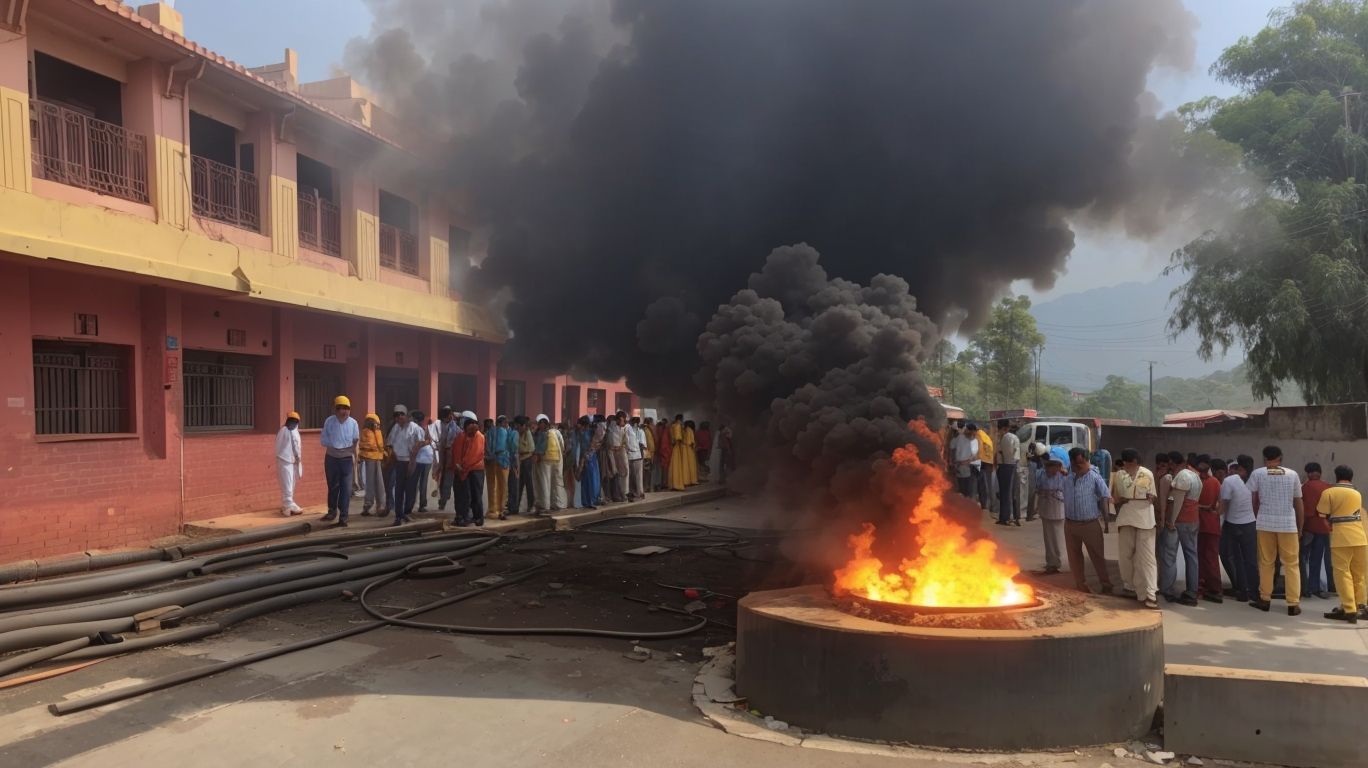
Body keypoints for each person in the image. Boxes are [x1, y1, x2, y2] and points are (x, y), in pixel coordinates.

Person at [1248, 445, 1304, 615]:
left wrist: (1257, 516)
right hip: (1288, 524)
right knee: (1292, 564)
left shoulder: (1257, 474)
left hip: (1265, 523)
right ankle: (1293, 604)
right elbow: (1298, 502)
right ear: (1280, 457)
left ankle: (1265, 599)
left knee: (1266, 562)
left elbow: (1252, 499)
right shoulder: (1292, 474)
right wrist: (1300, 527)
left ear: (1265, 458)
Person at [1111, 448, 1158, 609]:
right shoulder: (1119, 475)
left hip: (1145, 518)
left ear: (1137, 462)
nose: (1127, 465)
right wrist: (1118, 500)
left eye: (1130, 462)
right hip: (1126, 518)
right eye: (1125, 462)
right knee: (1125, 556)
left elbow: (1152, 497)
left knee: (1147, 558)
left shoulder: (1147, 474)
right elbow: (1116, 498)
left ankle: (1151, 594)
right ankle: (1129, 586)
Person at [1319, 465, 1367, 623]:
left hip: (1341, 538)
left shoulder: (1329, 492)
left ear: (1336, 476)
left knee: (1342, 573)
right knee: (1358, 574)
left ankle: (1349, 609)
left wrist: (1330, 529)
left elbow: (1322, 516)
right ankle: (1361, 606)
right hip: (1360, 537)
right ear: (1351, 477)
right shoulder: (1356, 493)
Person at [1063, 447, 1114, 594]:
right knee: (1074, 557)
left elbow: (1104, 498)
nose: (1081, 466)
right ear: (1071, 462)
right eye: (1077, 463)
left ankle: (1106, 584)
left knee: (1097, 556)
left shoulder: (1094, 477)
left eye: (1083, 462)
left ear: (1087, 461)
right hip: (1070, 524)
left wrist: (1106, 522)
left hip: (1090, 524)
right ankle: (1081, 584)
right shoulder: (1068, 477)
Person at [1160, 450, 1201, 607]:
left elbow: (1176, 501)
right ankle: (1192, 591)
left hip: (1180, 521)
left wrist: (1171, 521)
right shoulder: (1194, 475)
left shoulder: (1182, 476)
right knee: (1192, 555)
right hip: (1193, 520)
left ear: (1171, 463)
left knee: (1169, 554)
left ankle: (1167, 589)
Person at [1217, 455, 1259, 602]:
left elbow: (1224, 505)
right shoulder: (1256, 480)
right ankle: (1255, 591)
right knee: (1251, 560)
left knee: (1237, 558)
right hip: (1250, 524)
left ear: (1238, 466)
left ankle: (1242, 591)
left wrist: (1216, 515)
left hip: (1232, 524)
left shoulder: (1230, 481)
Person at [320, 395, 360, 527]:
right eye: (341, 408)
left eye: (347, 408)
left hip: (346, 460)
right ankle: (332, 512)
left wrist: (355, 458)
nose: (344, 411)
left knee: (346, 489)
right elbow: (324, 440)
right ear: (335, 410)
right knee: (333, 487)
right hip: (331, 459)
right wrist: (336, 447)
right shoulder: (329, 422)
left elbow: (355, 441)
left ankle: (344, 517)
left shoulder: (353, 423)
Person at [386, 405, 425, 525]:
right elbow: (389, 443)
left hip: (412, 461)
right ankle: (398, 515)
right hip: (399, 462)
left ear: (406, 415)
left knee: (411, 489)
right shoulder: (395, 428)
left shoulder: (414, 428)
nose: (399, 417)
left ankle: (406, 513)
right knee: (398, 489)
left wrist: (415, 451)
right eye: (396, 415)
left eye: (401, 414)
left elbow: (423, 441)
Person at [1032, 444, 1067, 575]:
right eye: (1047, 467)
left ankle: (1057, 561)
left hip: (1057, 507)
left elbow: (1066, 492)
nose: (1049, 470)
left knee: (1057, 536)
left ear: (1057, 467)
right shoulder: (1041, 474)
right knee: (1048, 537)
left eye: (1051, 467)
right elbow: (1037, 489)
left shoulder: (1063, 476)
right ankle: (1050, 562)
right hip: (1046, 506)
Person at [1300, 462, 1333, 600]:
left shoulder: (1304, 487)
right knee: (1318, 559)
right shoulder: (1328, 487)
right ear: (1320, 472)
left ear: (1308, 473)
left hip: (1308, 527)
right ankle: (1316, 587)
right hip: (1323, 527)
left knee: (1303, 558)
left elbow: (1302, 509)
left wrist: (1300, 528)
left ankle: (1304, 588)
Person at [1194, 454, 1224, 602]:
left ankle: (1202, 588)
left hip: (1200, 523)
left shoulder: (1196, 481)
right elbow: (1220, 505)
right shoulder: (1216, 483)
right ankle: (1214, 589)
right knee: (1211, 557)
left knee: (1200, 556)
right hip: (1212, 523)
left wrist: (1200, 506)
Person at [450, 413, 487, 526]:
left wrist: (462, 467)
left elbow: (474, 455)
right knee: (464, 495)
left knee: (475, 495)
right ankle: (463, 516)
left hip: (473, 470)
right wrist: (457, 465)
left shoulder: (479, 437)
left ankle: (477, 517)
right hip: (463, 470)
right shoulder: (462, 436)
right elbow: (456, 453)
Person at [484, 415, 514, 520]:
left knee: (491, 485)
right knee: (503, 485)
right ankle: (501, 510)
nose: (507, 425)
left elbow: (486, 447)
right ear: (503, 423)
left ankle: (492, 510)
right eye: (506, 423)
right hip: (503, 460)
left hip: (490, 461)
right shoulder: (505, 432)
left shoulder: (488, 432)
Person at [358, 413, 389, 517]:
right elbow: (380, 443)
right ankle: (381, 506)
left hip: (368, 458)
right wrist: (385, 452)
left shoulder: (363, 431)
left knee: (370, 483)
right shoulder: (375, 431)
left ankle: (367, 506)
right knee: (379, 483)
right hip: (376, 458)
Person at [275, 411, 304, 516]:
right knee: (287, 483)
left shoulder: (294, 432)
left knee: (291, 483)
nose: (292, 422)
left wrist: (297, 460)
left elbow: (297, 448)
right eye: (291, 420)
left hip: (292, 461)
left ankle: (287, 505)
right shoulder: (284, 430)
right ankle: (288, 504)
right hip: (284, 460)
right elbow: (279, 447)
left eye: (294, 421)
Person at [994, 420, 1021, 527]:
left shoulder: (1006, 438)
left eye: (999, 429)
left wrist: (1004, 464)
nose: (998, 432)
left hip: (1006, 466)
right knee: (1013, 493)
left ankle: (1005, 518)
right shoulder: (1014, 437)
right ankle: (1014, 517)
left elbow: (1008, 453)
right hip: (1013, 466)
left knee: (1005, 493)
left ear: (1003, 428)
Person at [537, 415, 567, 512]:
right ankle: (558, 503)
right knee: (557, 482)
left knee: (546, 482)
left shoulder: (541, 434)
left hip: (545, 460)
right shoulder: (556, 432)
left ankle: (546, 505)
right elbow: (562, 445)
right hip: (557, 459)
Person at [511, 416, 536, 515]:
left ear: (523, 426)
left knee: (528, 483)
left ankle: (531, 505)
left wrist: (520, 451)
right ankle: (517, 506)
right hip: (521, 460)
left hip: (527, 460)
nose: (516, 427)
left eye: (518, 425)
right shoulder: (519, 433)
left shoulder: (527, 433)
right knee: (520, 484)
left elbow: (531, 448)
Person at [411, 410, 434, 515]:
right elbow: (421, 443)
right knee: (420, 482)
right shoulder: (419, 429)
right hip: (424, 458)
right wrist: (428, 441)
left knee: (418, 482)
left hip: (423, 458)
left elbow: (419, 444)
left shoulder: (418, 429)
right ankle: (420, 505)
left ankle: (416, 505)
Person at [949, 423, 979, 498]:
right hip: (959, 466)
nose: (972, 434)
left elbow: (974, 456)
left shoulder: (975, 441)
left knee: (968, 488)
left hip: (968, 466)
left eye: (974, 432)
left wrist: (966, 462)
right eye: (970, 431)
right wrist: (953, 462)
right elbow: (951, 447)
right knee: (960, 487)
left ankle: (967, 502)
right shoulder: (959, 437)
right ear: (967, 430)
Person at [606, 412, 628, 502]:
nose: (623, 422)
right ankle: (617, 495)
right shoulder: (612, 427)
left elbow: (624, 441)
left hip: (619, 452)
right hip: (612, 453)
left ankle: (621, 494)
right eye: (622, 419)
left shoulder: (621, 428)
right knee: (614, 474)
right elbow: (611, 442)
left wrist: (621, 447)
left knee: (621, 473)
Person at [975, 422, 995, 512]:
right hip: (989, 463)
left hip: (982, 462)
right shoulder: (987, 437)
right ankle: (990, 505)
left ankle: (985, 505)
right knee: (988, 485)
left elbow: (978, 448)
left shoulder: (978, 434)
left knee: (982, 485)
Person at [627, 416, 647, 501]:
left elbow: (642, 445)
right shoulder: (628, 430)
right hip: (630, 455)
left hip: (638, 456)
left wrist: (638, 446)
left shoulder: (641, 432)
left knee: (638, 476)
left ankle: (639, 493)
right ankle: (633, 492)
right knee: (632, 476)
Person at [669, 415, 689, 491]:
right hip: (677, 447)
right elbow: (678, 437)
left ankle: (673, 483)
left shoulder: (672, 426)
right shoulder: (678, 426)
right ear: (679, 419)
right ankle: (677, 484)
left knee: (674, 465)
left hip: (674, 447)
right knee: (677, 465)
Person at [656, 417, 674, 491]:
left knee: (662, 469)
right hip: (665, 451)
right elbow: (668, 442)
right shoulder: (666, 430)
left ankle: (663, 483)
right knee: (665, 468)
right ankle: (664, 484)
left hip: (661, 450)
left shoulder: (659, 430)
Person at [642, 416, 657, 490]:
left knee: (648, 471)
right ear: (649, 423)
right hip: (648, 454)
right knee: (647, 471)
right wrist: (651, 453)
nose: (653, 424)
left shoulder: (647, 430)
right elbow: (649, 444)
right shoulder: (647, 430)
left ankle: (647, 486)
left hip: (649, 453)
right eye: (652, 423)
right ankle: (646, 487)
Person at [684, 419, 700, 486]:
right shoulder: (690, 430)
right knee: (692, 465)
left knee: (686, 465)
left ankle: (687, 480)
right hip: (690, 449)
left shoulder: (684, 430)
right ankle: (693, 480)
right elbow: (692, 441)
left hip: (685, 449)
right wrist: (695, 447)